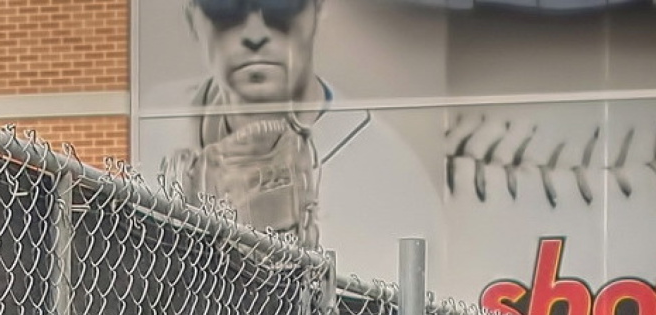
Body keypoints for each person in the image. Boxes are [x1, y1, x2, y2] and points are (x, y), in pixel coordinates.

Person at [159, 0, 445, 284]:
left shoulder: (393, 175)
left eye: (280, 6)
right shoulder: (157, 126)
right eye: (226, 8)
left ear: (317, 9)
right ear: (192, 19)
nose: (255, 32)